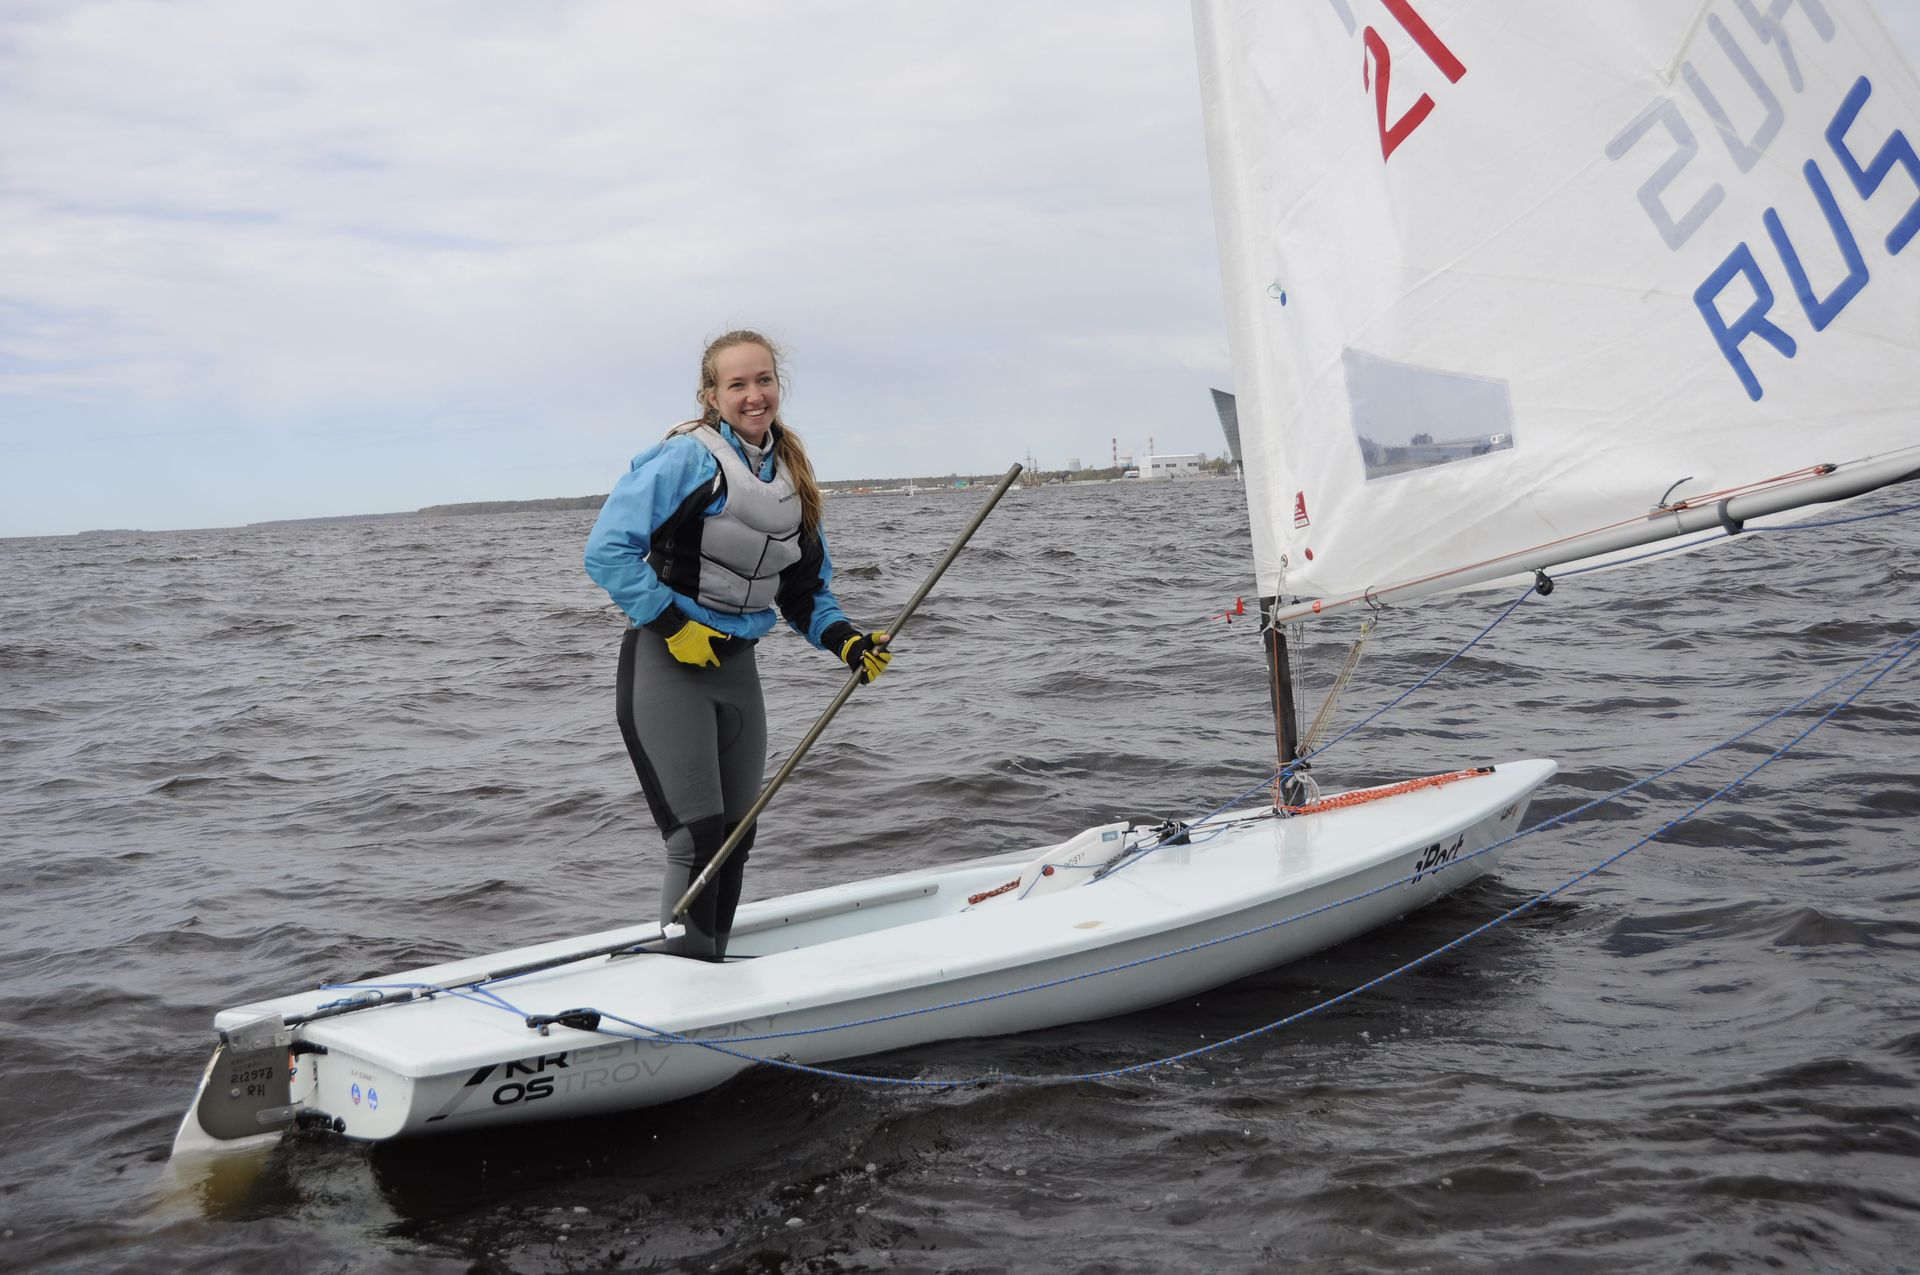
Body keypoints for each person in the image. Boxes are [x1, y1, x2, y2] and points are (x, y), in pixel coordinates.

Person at [584, 330, 892, 960]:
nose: (755, 396)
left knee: (736, 836)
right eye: (738, 384)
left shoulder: (793, 475)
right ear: (710, 395)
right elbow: (606, 552)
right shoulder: (682, 461)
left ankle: (710, 968)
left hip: (737, 671)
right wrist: (674, 625)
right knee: (696, 840)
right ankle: (682, 984)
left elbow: (805, 590)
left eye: (765, 380)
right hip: (666, 667)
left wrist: (848, 642)